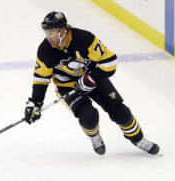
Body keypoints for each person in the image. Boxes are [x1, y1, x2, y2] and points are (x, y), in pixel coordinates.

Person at [24, 11, 160, 155]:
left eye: (51, 32)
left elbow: (110, 62)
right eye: (46, 32)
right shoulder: (45, 50)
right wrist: (35, 103)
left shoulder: (84, 39)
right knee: (88, 116)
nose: (48, 37)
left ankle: (138, 139)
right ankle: (94, 136)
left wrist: (90, 79)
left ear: (62, 31)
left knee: (121, 113)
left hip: (93, 78)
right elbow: (41, 78)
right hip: (67, 86)